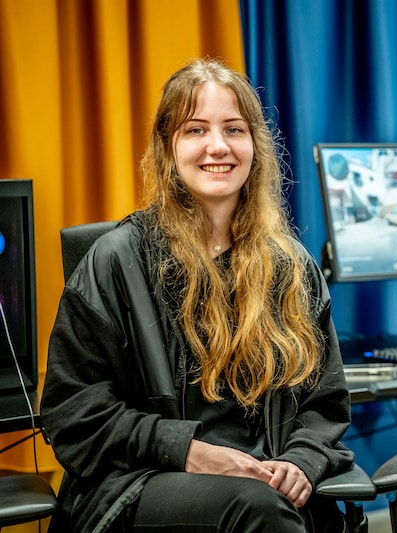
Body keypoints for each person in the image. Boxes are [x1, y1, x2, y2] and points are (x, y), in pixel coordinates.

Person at [40, 58, 353, 533]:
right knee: (259, 508)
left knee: (286, 508)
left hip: (267, 484)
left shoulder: (291, 266)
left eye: (234, 129)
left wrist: (302, 460)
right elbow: (74, 414)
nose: (218, 146)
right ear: (168, 148)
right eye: (195, 130)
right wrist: (188, 450)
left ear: (255, 146)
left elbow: (324, 401)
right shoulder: (115, 260)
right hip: (141, 483)